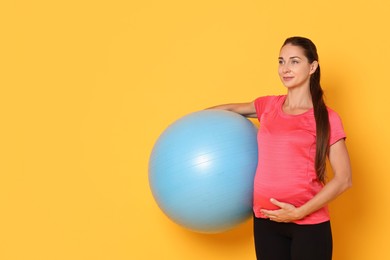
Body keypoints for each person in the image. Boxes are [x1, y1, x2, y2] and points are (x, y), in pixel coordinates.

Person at [208, 36, 352, 260]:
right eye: (281, 61)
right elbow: (229, 110)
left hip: (308, 225)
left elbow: (344, 179)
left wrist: (298, 212)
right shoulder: (269, 105)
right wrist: (195, 119)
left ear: (312, 67)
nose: (285, 69)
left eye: (294, 61)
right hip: (266, 221)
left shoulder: (327, 117)